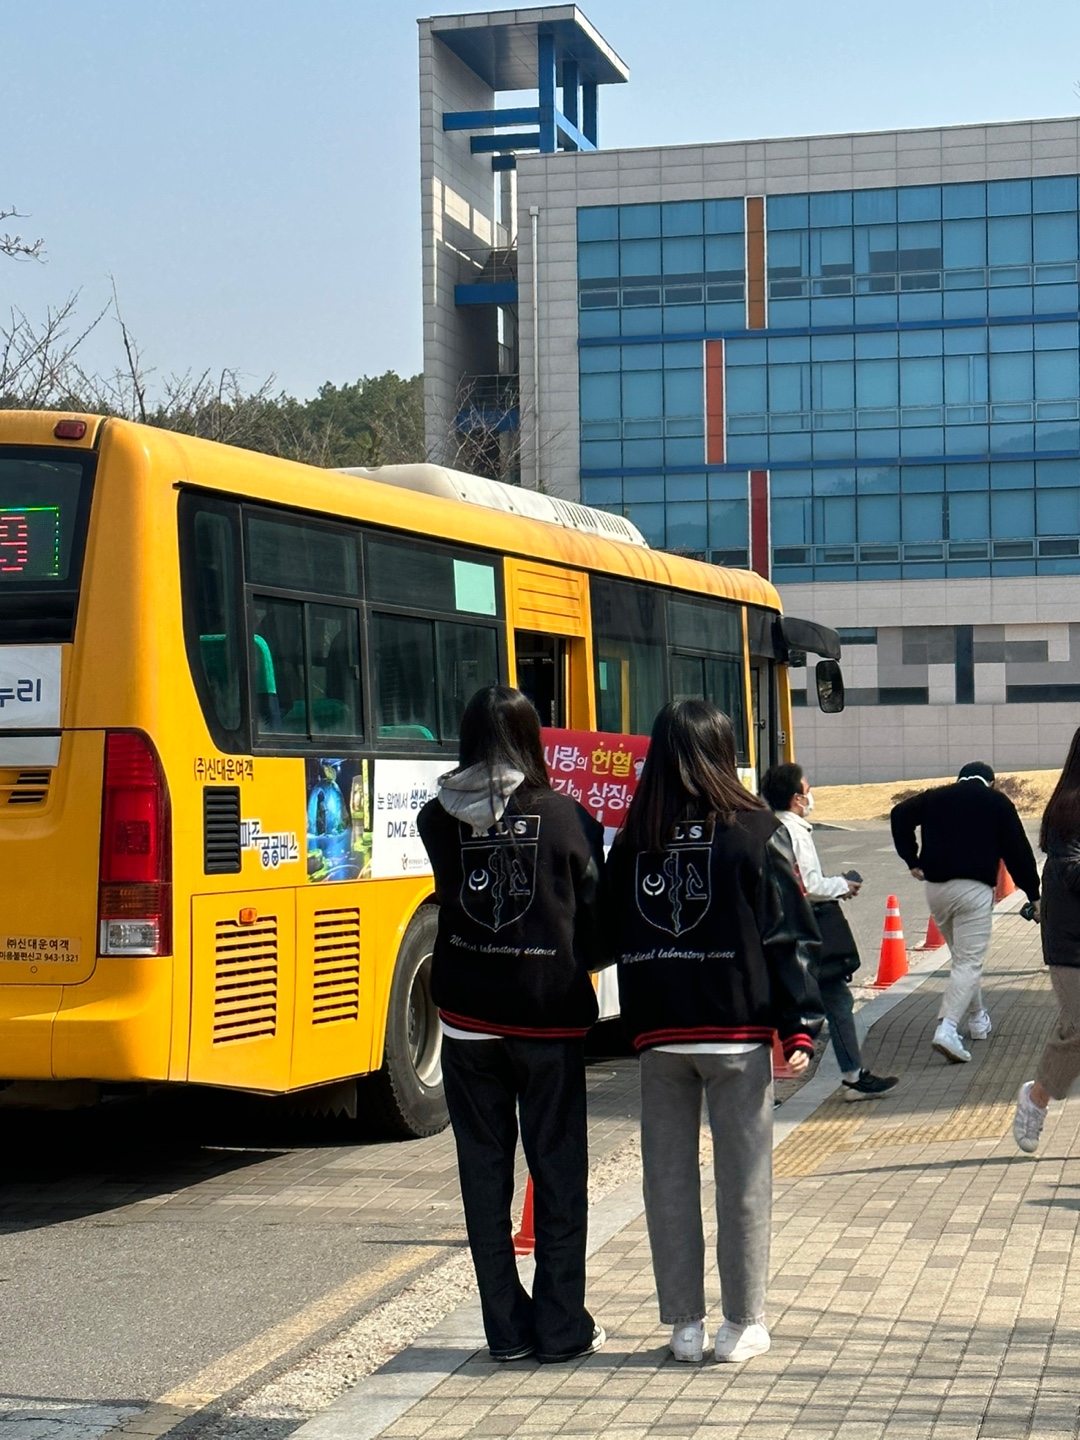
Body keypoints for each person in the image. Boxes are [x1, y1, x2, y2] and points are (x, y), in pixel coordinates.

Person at [604, 701, 823, 1366]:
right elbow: (788, 937)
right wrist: (799, 1027)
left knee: (668, 1183)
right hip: (736, 1031)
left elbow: (605, 933)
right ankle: (742, 1324)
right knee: (743, 1181)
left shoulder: (634, 838)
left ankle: (684, 1327)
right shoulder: (757, 831)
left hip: (660, 1035)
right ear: (724, 753)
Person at [416, 685, 606, 1364]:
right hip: (546, 1021)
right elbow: (596, 919)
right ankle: (560, 1327)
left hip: (468, 1020)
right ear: (532, 740)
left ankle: (505, 1330)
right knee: (558, 1172)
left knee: (483, 1175)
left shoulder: (435, 818)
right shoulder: (567, 816)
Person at [763, 763, 898, 1100]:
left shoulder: (769, 827)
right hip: (805, 928)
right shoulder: (794, 832)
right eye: (808, 791)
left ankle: (848, 1076)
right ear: (796, 798)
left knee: (793, 1003)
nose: (811, 797)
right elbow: (808, 885)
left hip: (778, 928)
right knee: (833, 999)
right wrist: (842, 885)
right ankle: (852, 1076)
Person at [891, 762, 1040, 1064]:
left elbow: (899, 814)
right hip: (974, 890)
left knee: (961, 960)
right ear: (991, 782)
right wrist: (1033, 894)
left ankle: (977, 1018)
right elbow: (1017, 850)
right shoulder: (997, 802)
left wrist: (912, 859)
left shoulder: (935, 796)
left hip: (936, 890)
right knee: (969, 962)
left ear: (959, 779)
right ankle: (947, 1029)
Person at [1014, 728, 1080, 1154]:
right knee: (1077, 1031)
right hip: (1072, 943)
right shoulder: (1069, 807)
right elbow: (1069, 869)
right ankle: (1035, 1099)